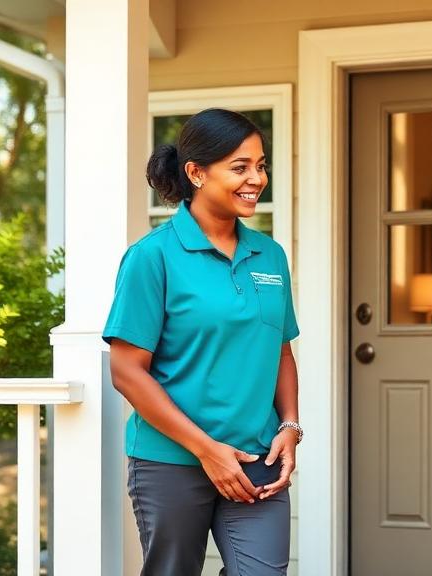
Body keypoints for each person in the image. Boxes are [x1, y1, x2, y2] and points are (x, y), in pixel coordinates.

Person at [104, 108, 301, 576]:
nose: (256, 178)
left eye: (261, 165)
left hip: (256, 459)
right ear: (196, 173)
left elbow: (280, 350)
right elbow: (126, 370)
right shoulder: (152, 257)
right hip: (171, 460)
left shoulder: (269, 255)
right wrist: (206, 449)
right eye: (240, 167)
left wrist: (290, 427)